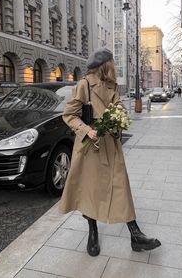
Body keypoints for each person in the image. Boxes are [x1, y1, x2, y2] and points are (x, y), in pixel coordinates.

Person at [59, 47, 161, 257]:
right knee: (90, 190)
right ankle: (92, 232)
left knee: (121, 186)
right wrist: (88, 130)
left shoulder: (111, 86)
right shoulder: (84, 85)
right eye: (111, 63)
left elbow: (119, 107)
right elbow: (69, 115)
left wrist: (119, 117)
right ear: (104, 65)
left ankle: (136, 235)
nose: (114, 66)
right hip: (91, 147)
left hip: (111, 144)